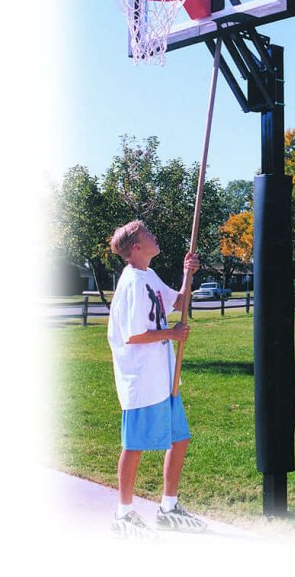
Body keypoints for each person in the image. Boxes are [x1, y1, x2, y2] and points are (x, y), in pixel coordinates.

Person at [106, 220, 207, 538]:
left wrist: (188, 273)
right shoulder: (132, 282)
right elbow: (133, 334)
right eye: (148, 234)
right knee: (134, 445)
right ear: (136, 247)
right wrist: (172, 333)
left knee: (180, 438)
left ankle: (169, 507)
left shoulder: (148, 275)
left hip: (164, 379)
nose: (154, 236)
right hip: (142, 381)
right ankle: (123, 515)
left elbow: (179, 301)